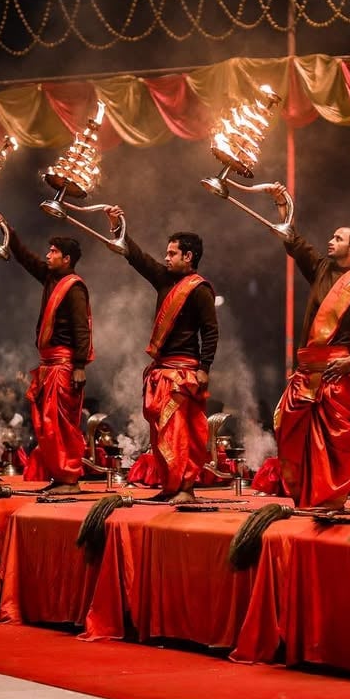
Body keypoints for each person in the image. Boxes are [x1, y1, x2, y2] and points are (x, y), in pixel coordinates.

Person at [264, 184, 350, 511]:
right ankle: (305, 497)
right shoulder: (320, 269)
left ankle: (330, 499)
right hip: (306, 373)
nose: (331, 241)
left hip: (334, 374)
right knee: (292, 432)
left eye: (338, 238)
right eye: (332, 237)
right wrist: (281, 205)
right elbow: (293, 241)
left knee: (329, 442)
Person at [105, 207, 218, 504]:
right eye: (166, 254)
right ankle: (171, 486)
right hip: (161, 371)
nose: (166, 258)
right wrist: (119, 228)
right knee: (161, 435)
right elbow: (137, 258)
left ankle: (184, 489)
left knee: (180, 434)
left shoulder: (200, 290)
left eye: (172, 254)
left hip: (183, 372)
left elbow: (210, 331)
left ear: (188, 257)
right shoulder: (164, 279)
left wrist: (205, 368)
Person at [0, 215, 93, 494]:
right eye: (48, 251)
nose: (47, 255)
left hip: (63, 365)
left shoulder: (74, 287)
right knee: (46, 427)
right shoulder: (50, 278)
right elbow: (24, 257)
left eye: (53, 252)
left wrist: (80, 366)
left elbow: (81, 329)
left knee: (59, 426)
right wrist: (6, 228)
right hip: (48, 365)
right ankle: (60, 477)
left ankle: (68, 479)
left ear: (67, 259)